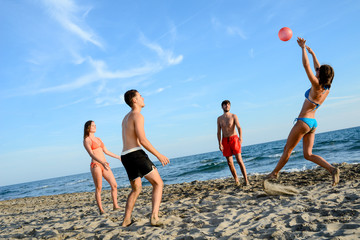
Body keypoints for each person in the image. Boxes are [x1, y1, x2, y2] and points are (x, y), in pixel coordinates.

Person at [267, 37, 340, 186]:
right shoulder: (326, 88)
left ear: (320, 75)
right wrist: (312, 53)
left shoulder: (316, 85)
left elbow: (306, 66)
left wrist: (302, 49)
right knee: (308, 154)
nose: (316, 70)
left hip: (303, 122)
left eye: (318, 71)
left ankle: (274, 174)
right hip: (313, 123)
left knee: (287, 149)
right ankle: (332, 169)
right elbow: (316, 67)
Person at [121, 89, 170, 227]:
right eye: (140, 96)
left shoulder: (126, 118)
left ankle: (126, 220)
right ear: (134, 100)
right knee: (158, 183)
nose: (143, 97)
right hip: (135, 154)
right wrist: (159, 155)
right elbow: (142, 140)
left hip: (125, 156)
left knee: (136, 189)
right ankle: (154, 217)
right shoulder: (137, 115)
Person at [83, 120, 121, 214]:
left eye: (95, 125)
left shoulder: (99, 139)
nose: (95, 127)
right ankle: (101, 209)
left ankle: (115, 206)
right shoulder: (87, 140)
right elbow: (91, 154)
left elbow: (106, 151)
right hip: (96, 165)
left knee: (114, 185)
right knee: (99, 187)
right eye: (93, 125)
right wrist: (101, 162)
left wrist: (118, 157)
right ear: (88, 128)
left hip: (105, 164)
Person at [217, 100, 249, 186]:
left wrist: (240, 137)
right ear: (222, 107)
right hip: (225, 141)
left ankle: (246, 180)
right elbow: (218, 132)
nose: (226, 106)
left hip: (234, 139)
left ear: (230, 106)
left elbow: (239, 127)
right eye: (225, 105)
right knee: (230, 163)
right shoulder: (219, 119)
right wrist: (219, 143)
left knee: (239, 160)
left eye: (228, 105)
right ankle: (237, 181)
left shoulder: (233, 116)